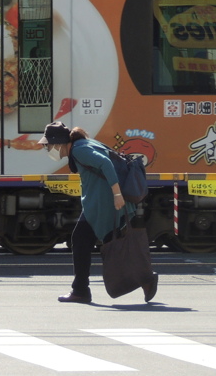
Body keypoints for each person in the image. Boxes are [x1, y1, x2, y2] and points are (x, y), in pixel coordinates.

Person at [40, 121, 158, 304]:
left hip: (106, 204)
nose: (47, 149)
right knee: (104, 243)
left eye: (48, 145)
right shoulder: (83, 144)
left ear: (58, 143)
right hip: (98, 205)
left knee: (111, 245)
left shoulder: (80, 150)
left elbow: (105, 163)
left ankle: (82, 291)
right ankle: (143, 280)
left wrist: (117, 194)